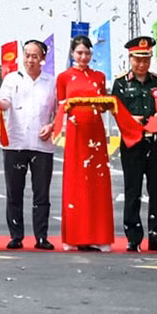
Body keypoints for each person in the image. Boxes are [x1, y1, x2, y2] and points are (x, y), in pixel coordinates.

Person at [112, 35, 157, 253]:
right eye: (137, 59)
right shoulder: (121, 83)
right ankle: (133, 238)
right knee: (133, 190)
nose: (141, 64)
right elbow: (116, 110)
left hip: (154, 141)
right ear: (130, 59)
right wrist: (131, 119)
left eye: (146, 59)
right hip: (132, 143)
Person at [54, 34, 115, 251]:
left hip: (95, 133)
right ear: (72, 53)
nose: (83, 57)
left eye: (87, 53)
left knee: (97, 183)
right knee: (76, 182)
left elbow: (103, 104)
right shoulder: (64, 78)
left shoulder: (99, 76)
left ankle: (99, 236)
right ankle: (73, 237)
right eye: (79, 52)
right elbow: (61, 105)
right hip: (75, 133)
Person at [0, 38, 57, 250]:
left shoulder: (52, 82)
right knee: (14, 192)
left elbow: (59, 111)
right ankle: (16, 235)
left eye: (35, 56)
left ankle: (41, 236)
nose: (30, 60)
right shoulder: (12, 79)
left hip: (42, 144)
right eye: (27, 55)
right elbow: (5, 102)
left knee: (41, 193)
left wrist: (51, 126)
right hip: (15, 143)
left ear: (43, 58)